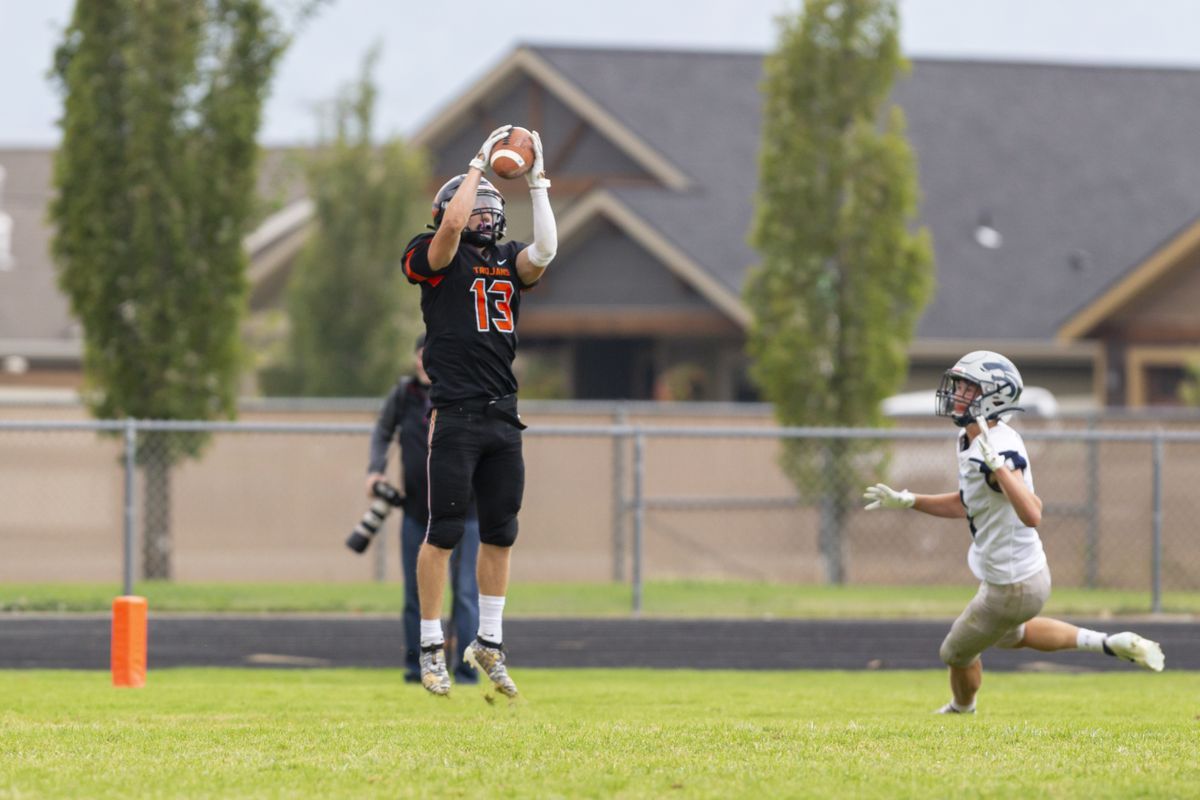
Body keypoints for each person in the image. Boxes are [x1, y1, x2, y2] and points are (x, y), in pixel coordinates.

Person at [863, 350, 1165, 714]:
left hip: (1012, 585)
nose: (956, 394)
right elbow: (966, 504)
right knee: (1014, 636)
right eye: (958, 386)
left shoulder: (996, 450)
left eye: (966, 388)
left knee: (955, 652)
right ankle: (1107, 642)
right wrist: (911, 500)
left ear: (994, 396)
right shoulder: (976, 439)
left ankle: (961, 709)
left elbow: (1033, 512)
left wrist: (1001, 470)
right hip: (1024, 576)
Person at [400, 124, 557, 697]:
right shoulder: (430, 256)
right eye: (479, 206)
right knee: (442, 532)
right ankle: (429, 647)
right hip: (457, 413)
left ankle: (488, 643)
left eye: (494, 206)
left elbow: (546, 251)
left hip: (502, 415)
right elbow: (447, 228)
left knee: (501, 532)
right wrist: (477, 163)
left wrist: (536, 181)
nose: (488, 215)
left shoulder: (509, 261)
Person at [366, 334, 479, 686]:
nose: (424, 362)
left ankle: (466, 668)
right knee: (416, 592)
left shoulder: (464, 390)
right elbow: (383, 432)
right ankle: (419, 666)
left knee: (464, 592)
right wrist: (375, 470)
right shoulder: (405, 395)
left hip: (466, 512)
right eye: (420, 355)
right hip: (418, 512)